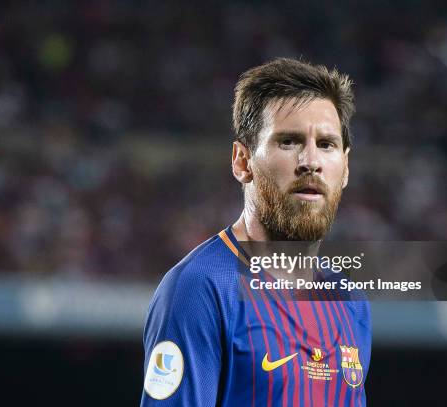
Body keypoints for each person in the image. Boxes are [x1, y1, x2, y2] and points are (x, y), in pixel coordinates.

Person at [141, 58, 371, 406]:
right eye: (289, 141)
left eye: (326, 144)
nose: (311, 160)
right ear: (242, 161)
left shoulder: (350, 303)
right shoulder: (200, 290)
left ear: (346, 166)